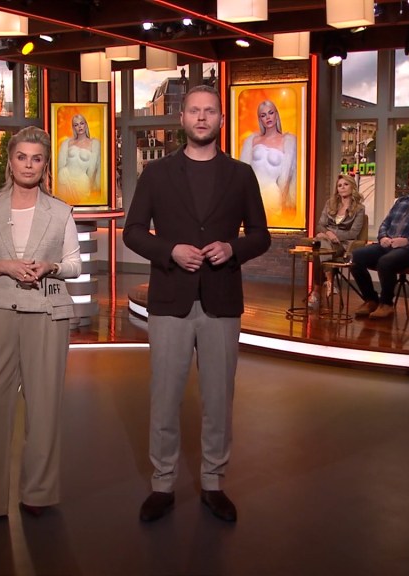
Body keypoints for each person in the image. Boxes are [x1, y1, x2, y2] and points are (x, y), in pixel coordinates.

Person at [123, 85, 271, 523]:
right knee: (164, 397)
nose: (202, 117)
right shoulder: (156, 174)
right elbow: (133, 231)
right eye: (194, 111)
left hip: (221, 300)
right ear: (182, 118)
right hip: (171, 299)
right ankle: (162, 483)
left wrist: (233, 248)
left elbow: (260, 235)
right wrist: (169, 250)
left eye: (209, 111)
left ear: (221, 119)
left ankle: (213, 482)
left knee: (219, 399)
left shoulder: (241, 175)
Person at [0, 126, 82, 531]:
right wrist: (4, 266)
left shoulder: (60, 211)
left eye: (37, 158)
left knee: (44, 407)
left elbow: (74, 264)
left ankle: (38, 494)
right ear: (10, 162)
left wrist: (51, 266)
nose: (29, 165)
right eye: (22, 157)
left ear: (45, 165)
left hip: (47, 312)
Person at [350, 166, 409, 320]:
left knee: (385, 262)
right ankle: (371, 300)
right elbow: (385, 223)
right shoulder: (401, 201)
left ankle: (386, 304)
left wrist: (407, 240)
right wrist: (383, 237)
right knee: (356, 256)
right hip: (388, 244)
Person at [308, 175, 366, 308]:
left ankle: (317, 292)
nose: (342, 188)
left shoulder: (359, 208)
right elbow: (320, 225)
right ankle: (330, 282)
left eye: (346, 184)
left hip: (342, 244)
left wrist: (331, 235)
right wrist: (328, 234)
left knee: (319, 249)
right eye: (339, 185)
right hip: (326, 241)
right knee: (321, 246)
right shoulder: (330, 203)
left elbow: (353, 233)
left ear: (352, 187)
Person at [239, 100, 297, 218]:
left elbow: (289, 177)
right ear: (260, 119)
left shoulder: (288, 142)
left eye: (271, 113)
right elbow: (243, 171)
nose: (268, 117)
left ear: (276, 114)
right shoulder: (252, 140)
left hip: (273, 196)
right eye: (263, 115)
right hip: (252, 194)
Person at [55, 113, 101, 205]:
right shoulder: (67, 142)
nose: (79, 127)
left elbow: (95, 167)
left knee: (83, 206)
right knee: (63, 206)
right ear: (73, 128)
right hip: (64, 177)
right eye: (76, 125)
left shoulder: (94, 143)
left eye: (81, 123)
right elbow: (60, 163)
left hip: (82, 181)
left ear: (86, 125)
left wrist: (92, 182)